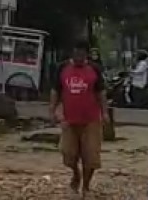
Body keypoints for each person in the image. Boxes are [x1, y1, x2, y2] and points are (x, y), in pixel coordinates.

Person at [51, 39, 107, 196]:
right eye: (76, 53)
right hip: (69, 120)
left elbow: (101, 92)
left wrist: (105, 112)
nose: (78, 57)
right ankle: (76, 174)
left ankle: (86, 186)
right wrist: (52, 110)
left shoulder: (94, 69)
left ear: (86, 55)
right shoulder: (62, 68)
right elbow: (55, 90)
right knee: (68, 153)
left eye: (82, 54)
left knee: (91, 156)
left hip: (91, 120)